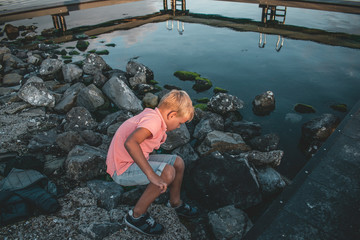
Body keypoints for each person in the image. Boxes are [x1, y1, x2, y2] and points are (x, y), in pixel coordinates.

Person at [106, 90, 198, 236]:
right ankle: (135, 216)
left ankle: (175, 202)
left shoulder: (154, 116)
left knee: (177, 162)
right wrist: (151, 174)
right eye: (180, 123)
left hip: (131, 160)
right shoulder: (153, 122)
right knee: (167, 172)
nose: (179, 126)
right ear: (171, 115)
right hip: (122, 168)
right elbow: (131, 143)